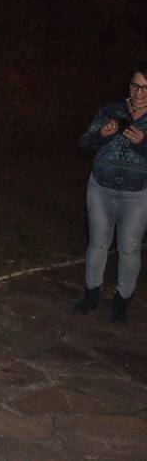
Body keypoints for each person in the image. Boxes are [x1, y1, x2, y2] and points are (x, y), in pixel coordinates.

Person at [74, 59, 147, 324]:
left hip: (137, 194)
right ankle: (92, 293)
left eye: (146, 88)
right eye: (135, 86)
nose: (139, 93)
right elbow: (84, 145)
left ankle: (122, 300)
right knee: (98, 243)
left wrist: (143, 145)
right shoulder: (111, 110)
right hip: (101, 188)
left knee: (129, 248)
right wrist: (101, 136)